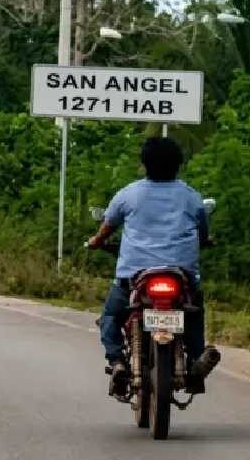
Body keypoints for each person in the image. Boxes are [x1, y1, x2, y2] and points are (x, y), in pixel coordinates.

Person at [86, 137, 220, 394]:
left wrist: (95, 241)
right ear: (178, 165)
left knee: (112, 316)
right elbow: (203, 232)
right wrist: (204, 241)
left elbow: (107, 227)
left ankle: (116, 363)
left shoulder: (128, 194)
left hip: (134, 275)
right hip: (181, 274)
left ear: (144, 164)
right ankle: (194, 360)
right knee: (193, 312)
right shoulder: (191, 196)